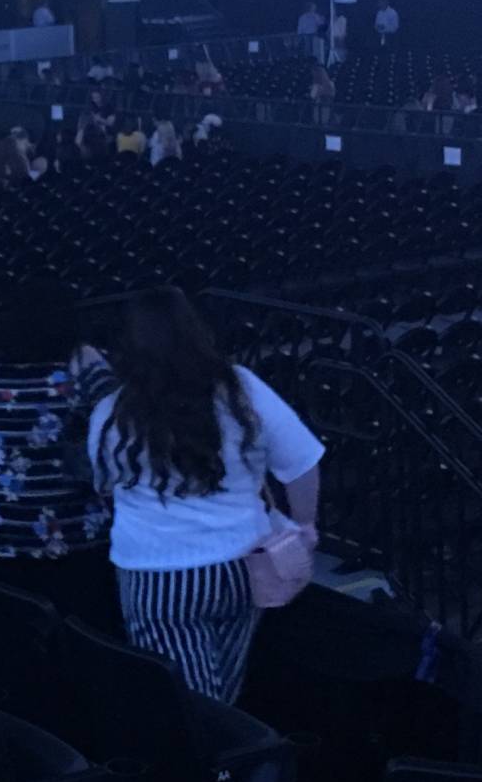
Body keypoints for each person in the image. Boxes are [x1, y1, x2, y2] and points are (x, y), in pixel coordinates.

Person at [86, 291, 324, 705]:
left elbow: (104, 483)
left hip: (156, 575)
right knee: (224, 699)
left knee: (191, 710)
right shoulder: (242, 388)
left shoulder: (111, 412)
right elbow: (302, 462)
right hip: (242, 566)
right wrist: (305, 526)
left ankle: (217, 770)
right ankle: (234, 766)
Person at [0, 281, 119, 622]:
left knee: (19, 631)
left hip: (7, 527)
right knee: (86, 630)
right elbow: (120, 424)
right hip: (77, 528)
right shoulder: (83, 367)